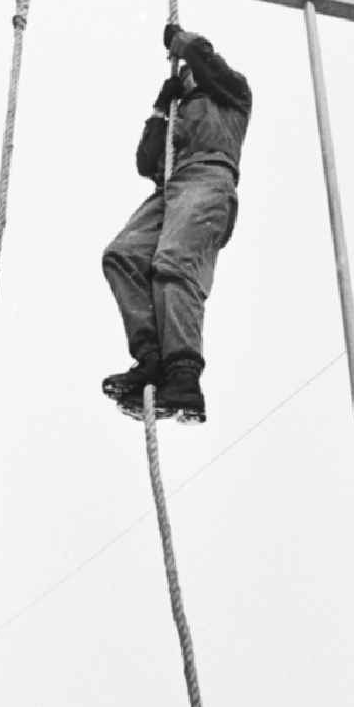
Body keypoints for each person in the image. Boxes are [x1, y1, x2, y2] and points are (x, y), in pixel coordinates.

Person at [101, 24, 252, 425]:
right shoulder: (177, 113)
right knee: (122, 256)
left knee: (174, 262)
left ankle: (184, 376)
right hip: (170, 187)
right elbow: (146, 163)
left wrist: (182, 43)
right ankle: (152, 358)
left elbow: (204, 59)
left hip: (208, 178)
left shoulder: (232, 94)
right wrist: (159, 111)